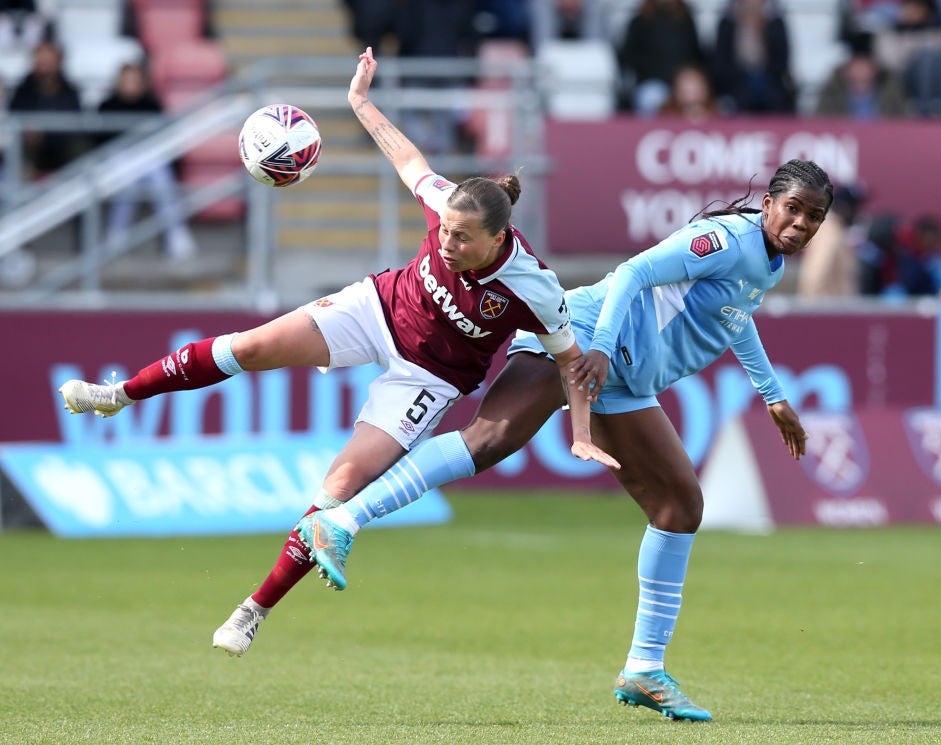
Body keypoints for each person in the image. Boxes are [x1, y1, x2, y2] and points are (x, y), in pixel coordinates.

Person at [57, 46, 617, 656]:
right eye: (445, 232)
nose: (448, 242)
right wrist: (360, 102)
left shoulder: (533, 283)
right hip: (378, 309)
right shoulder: (448, 202)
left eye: (462, 238)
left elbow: (568, 359)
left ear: (498, 237)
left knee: (341, 485)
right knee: (250, 347)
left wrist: (581, 431)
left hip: (428, 379)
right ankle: (118, 395)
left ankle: (253, 610)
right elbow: (408, 158)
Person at [298, 159, 834, 722]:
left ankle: (645, 669)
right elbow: (632, 273)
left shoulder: (768, 262)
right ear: (769, 202)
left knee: (679, 506)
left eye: (813, 217)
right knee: (489, 440)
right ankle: (341, 520)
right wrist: (596, 346)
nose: (800, 224)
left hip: (628, 377)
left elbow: (736, 314)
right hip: (584, 337)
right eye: (793, 209)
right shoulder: (725, 238)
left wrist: (772, 395)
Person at [96, 62, 197, 260]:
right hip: (116, 158)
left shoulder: (152, 104)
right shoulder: (106, 105)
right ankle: (117, 235)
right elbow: (99, 141)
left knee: (160, 176)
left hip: (147, 157)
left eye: (134, 80)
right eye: (126, 80)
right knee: (127, 179)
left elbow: (162, 138)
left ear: (142, 83)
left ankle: (175, 235)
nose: (130, 85)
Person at [7, 37, 86, 178]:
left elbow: (75, 122)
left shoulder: (70, 91)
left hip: (62, 148)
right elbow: (14, 118)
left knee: (79, 147)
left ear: (59, 60)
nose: (44, 63)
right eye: (40, 58)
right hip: (32, 150)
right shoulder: (23, 90)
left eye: (48, 59)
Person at [617, 0, 704, 115]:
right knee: (652, 96)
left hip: (682, 82)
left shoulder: (686, 21)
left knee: (693, 93)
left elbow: (695, 55)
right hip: (652, 82)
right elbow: (629, 57)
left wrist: (684, 79)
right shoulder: (640, 21)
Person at [711, 0, 797, 114]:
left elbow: (781, 63)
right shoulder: (727, 23)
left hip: (770, 81)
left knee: (775, 97)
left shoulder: (775, 23)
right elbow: (721, 63)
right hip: (736, 83)